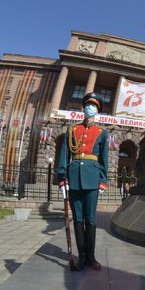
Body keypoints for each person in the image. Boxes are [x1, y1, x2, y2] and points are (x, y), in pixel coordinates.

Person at [57, 92, 109, 271]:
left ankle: (91, 257)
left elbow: (104, 159)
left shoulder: (102, 132)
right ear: (84, 108)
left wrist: (103, 181)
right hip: (73, 179)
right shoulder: (72, 130)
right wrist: (62, 179)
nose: (90, 107)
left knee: (91, 219)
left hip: (92, 179)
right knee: (78, 219)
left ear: (98, 110)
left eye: (93, 106)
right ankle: (82, 256)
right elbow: (64, 154)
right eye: (88, 104)